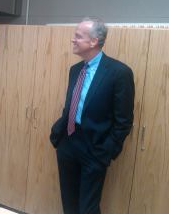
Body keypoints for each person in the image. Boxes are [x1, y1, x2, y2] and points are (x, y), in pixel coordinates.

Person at [50, 17, 134, 214]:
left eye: (78, 36)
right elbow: (70, 106)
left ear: (93, 41)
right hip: (68, 142)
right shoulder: (75, 70)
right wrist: (59, 136)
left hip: (95, 148)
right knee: (69, 202)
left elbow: (124, 121)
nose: (73, 40)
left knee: (88, 207)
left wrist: (105, 151)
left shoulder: (119, 72)